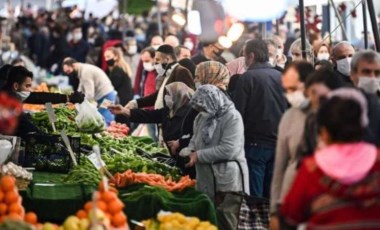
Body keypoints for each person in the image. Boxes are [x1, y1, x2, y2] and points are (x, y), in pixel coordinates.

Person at [281, 88, 380, 229]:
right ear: (362, 126)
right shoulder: (377, 160)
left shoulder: (312, 168)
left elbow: (290, 216)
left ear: (324, 133)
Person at [234, 39, 288, 198]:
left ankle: (257, 222)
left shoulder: (247, 78)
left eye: (244, 56)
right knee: (273, 193)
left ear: (251, 55)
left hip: (255, 144)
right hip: (278, 143)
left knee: (255, 195)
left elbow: (238, 114)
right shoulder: (281, 76)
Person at [108, 82, 198, 178]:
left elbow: (196, 136)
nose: (166, 97)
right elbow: (148, 115)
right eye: (166, 94)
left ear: (180, 96)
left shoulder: (191, 114)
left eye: (169, 94)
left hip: (189, 160)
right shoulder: (168, 111)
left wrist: (180, 143)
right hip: (174, 158)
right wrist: (124, 111)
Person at [180, 84, 249, 201]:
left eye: (203, 107)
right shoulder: (200, 118)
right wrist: (189, 151)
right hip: (205, 176)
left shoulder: (232, 117)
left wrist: (198, 155)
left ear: (213, 101)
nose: (201, 111)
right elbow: (195, 138)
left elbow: (229, 149)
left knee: (227, 214)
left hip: (226, 176)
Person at [126, 45, 194, 110]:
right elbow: (158, 96)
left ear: (167, 59)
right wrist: (136, 103)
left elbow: (186, 101)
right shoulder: (166, 74)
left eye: (158, 60)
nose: (155, 63)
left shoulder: (181, 72)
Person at [62, 57, 116, 125]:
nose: (68, 74)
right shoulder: (82, 70)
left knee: (105, 119)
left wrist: (80, 105)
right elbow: (81, 87)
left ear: (73, 65)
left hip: (107, 96)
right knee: (102, 118)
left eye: (68, 71)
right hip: (103, 95)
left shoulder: (85, 72)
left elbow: (90, 94)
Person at [104, 47, 133, 124]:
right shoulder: (121, 67)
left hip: (122, 102)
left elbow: (111, 88)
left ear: (116, 56)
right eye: (105, 57)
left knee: (122, 125)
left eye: (108, 56)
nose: (106, 59)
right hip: (126, 101)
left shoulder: (117, 70)